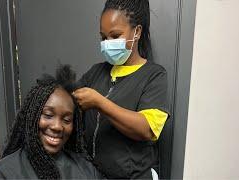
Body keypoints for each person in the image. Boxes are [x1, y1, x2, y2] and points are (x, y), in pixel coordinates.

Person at [72, 0, 169, 179]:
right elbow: (70, 101)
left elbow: (146, 129)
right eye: (103, 37)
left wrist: (99, 102)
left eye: (115, 36)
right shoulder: (96, 72)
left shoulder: (154, 75)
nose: (107, 43)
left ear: (137, 32)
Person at [0, 65, 102, 179]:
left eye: (67, 120)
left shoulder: (85, 170)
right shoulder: (3, 173)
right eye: (48, 115)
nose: (57, 127)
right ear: (32, 116)